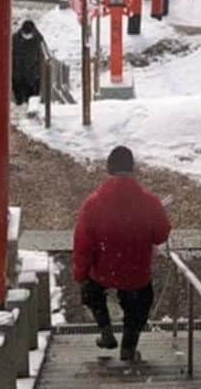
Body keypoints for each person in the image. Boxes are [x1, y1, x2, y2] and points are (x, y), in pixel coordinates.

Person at [73, 145, 171, 362]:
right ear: (133, 168)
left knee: (91, 291)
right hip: (136, 272)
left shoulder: (93, 204)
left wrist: (80, 274)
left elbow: (83, 243)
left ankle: (106, 331)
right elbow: (161, 235)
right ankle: (128, 347)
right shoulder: (150, 202)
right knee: (139, 303)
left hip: (103, 270)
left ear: (109, 169)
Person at [11, 19, 45, 107]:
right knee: (19, 97)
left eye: (29, 34)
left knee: (32, 98)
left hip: (33, 73)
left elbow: (43, 55)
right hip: (18, 73)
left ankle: (31, 111)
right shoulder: (14, 39)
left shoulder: (39, 39)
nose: (27, 35)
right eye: (25, 33)